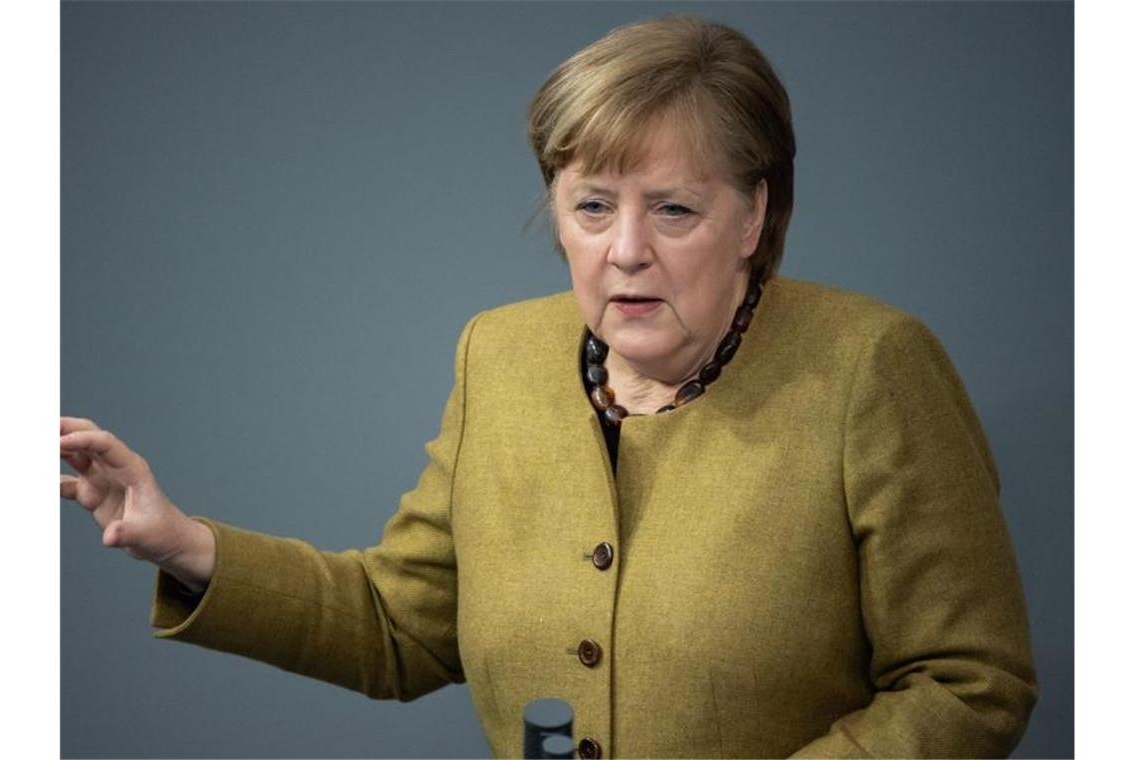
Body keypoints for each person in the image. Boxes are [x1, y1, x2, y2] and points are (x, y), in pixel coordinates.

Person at [59, 15, 1037, 759]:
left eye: (674, 208)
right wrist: (180, 540)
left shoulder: (871, 366)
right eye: (594, 205)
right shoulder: (502, 357)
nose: (626, 251)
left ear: (752, 216)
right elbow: (402, 625)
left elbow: (970, 679)